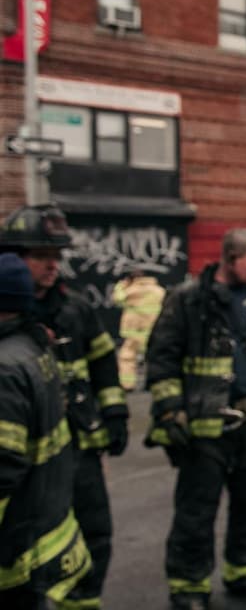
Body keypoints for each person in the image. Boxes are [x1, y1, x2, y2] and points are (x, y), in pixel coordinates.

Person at [144, 228, 246, 610]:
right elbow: (162, 358)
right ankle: (188, 586)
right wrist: (170, 410)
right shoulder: (188, 300)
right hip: (203, 426)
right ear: (229, 259)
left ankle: (242, 571)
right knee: (197, 510)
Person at [0, 205, 127, 610]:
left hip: (80, 443)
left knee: (93, 533)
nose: (53, 266)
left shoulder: (75, 308)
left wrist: (115, 412)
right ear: (14, 258)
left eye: (57, 257)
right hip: (29, 454)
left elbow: (104, 361)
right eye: (41, 257)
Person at [0, 253, 93, 609]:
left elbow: (4, 465)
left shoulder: (6, 367)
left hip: (15, 547)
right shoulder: (32, 346)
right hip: (41, 530)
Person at [112, 265, 167, 391]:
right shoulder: (158, 290)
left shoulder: (131, 291)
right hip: (154, 330)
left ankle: (127, 385)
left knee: (127, 356)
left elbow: (117, 299)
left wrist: (122, 285)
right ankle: (154, 383)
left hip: (135, 332)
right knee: (154, 357)